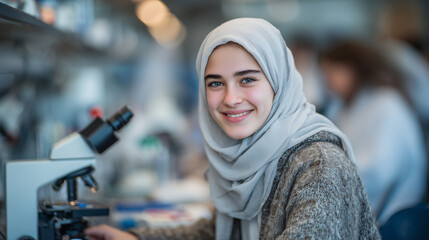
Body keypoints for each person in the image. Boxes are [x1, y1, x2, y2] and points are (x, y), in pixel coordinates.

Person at [85, 18, 380, 240]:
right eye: (215, 83)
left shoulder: (319, 165)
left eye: (248, 79)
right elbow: (217, 232)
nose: (230, 98)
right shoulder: (250, 157)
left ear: (278, 82)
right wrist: (137, 237)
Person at [319, 40, 428, 225]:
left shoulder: (387, 105)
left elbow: (378, 171)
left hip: (394, 219)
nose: (328, 81)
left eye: (333, 72)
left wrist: (325, 177)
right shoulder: (345, 106)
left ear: (354, 70)